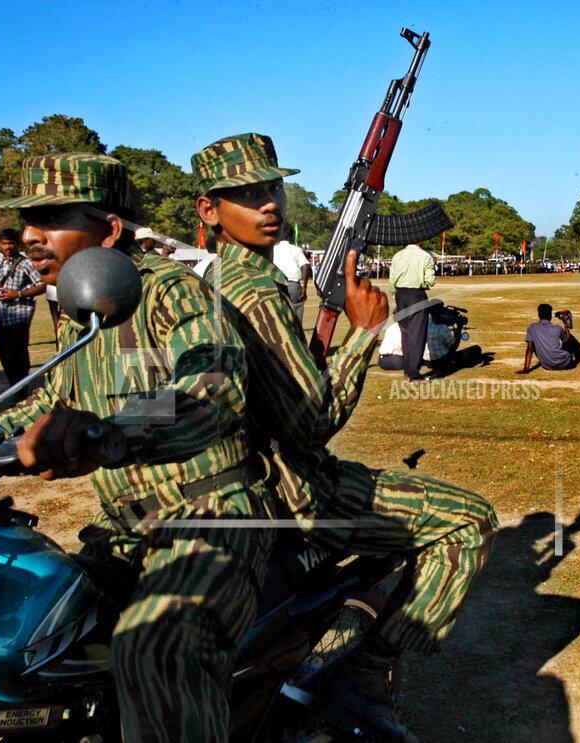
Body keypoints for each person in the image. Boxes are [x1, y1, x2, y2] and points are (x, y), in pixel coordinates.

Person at [0, 153, 273, 743]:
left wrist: (105, 432)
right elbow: (51, 399)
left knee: (154, 651)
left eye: (53, 217)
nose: (30, 235)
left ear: (110, 230)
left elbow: (211, 387)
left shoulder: (170, 292)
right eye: (29, 220)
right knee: (34, 626)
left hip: (212, 517)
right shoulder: (81, 303)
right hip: (123, 527)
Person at [193, 133, 497, 741]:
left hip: (253, 479)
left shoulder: (218, 281)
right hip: (295, 487)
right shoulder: (254, 293)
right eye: (247, 194)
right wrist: (362, 334)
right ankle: (368, 674)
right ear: (209, 210)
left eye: (273, 188)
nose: (269, 203)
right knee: (470, 522)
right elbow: (310, 426)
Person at [0, 228, 46, 385]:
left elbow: (42, 285)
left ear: (17, 244)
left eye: (11, 244)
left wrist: (18, 294)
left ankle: (21, 390)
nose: (8, 247)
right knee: (4, 353)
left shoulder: (26, 263)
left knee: (18, 353)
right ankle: (13, 386)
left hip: (19, 315)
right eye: (4, 244)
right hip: (1, 314)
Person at [388, 241, 436, 382]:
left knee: (406, 333)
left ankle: (408, 372)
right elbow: (430, 280)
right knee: (417, 334)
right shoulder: (425, 256)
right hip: (417, 294)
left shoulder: (397, 255)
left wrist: (395, 294)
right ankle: (414, 374)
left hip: (400, 294)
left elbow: (392, 281)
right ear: (421, 240)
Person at [518, 304, 580, 373]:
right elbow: (567, 340)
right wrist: (565, 324)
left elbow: (530, 349)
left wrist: (526, 370)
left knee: (536, 343)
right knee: (570, 338)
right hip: (565, 364)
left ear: (538, 315)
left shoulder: (532, 328)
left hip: (547, 365)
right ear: (550, 316)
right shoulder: (557, 328)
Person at [272, 232, 310, 323]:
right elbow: (305, 266)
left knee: (279, 314)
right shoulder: (296, 249)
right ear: (290, 237)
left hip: (277, 284)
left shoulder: (273, 249)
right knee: (297, 312)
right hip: (293, 285)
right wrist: (304, 288)